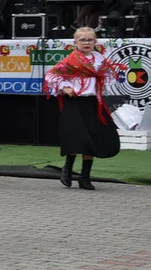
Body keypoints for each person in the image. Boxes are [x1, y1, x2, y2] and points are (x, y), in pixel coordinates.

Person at [44, 27, 124, 190]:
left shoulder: (100, 59)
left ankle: (84, 177)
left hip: (93, 103)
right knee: (76, 138)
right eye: (82, 40)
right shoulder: (70, 61)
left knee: (93, 140)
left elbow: (108, 75)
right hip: (74, 102)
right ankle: (67, 168)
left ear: (95, 42)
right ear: (75, 43)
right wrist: (65, 87)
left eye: (90, 40)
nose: (86, 43)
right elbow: (51, 75)